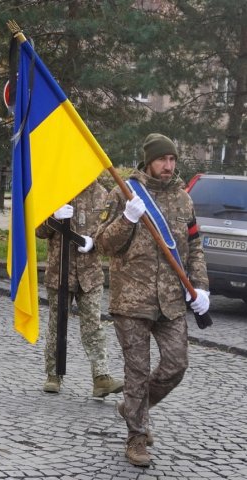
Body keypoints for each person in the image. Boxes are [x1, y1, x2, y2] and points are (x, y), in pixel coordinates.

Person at [95, 133, 209, 467]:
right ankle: (137, 438)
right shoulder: (123, 193)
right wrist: (127, 219)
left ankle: (132, 408)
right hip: (131, 300)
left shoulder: (182, 199)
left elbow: (195, 247)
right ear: (148, 161)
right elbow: (102, 244)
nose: (168, 166)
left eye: (172, 160)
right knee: (138, 372)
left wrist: (201, 288)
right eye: (162, 159)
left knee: (176, 365)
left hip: (171, 301)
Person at [36, 180, 124, 397]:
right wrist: (52, 218)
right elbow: (38, 229)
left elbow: (111, 232)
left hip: (90, 274)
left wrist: (94, 242)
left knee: (94, 325)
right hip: (60, 271)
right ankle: (53, 375)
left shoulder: (103, 194)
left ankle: (101, 378)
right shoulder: (57, 189)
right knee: (57, 324)